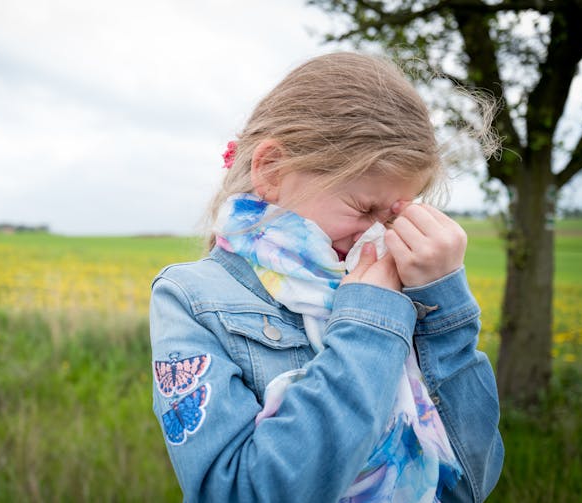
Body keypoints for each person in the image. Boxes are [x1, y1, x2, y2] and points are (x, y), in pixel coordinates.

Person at [149, 52, 503, 502]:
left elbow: (472, 481)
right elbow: (239, 492)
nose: (378, 233)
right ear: (272, 171)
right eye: (365, 209)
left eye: (394, 216)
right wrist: (368, 328)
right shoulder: (193, 299)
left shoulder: (400, 287)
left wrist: (445, 306)